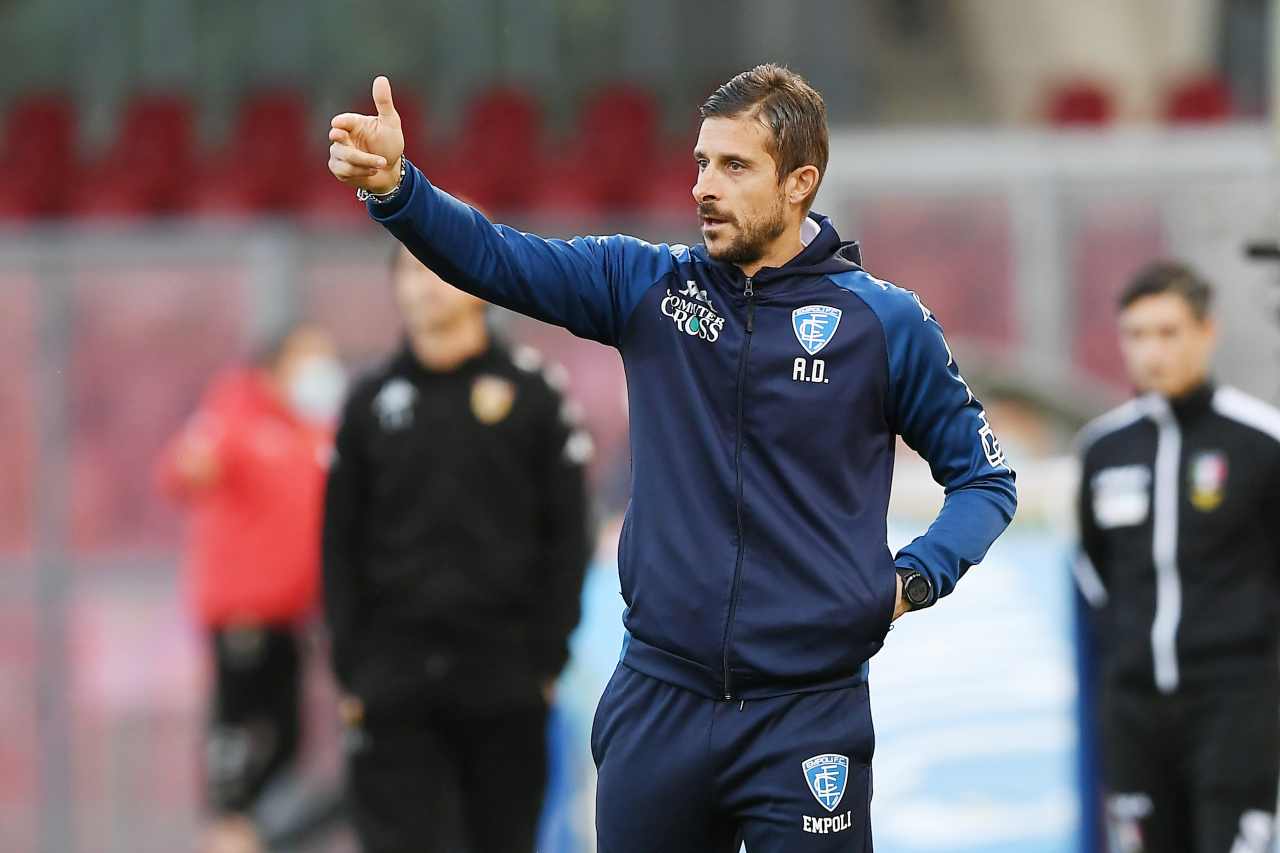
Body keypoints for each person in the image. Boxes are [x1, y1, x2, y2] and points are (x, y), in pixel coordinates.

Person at [326, 65, 1017, 852]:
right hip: (661, 701)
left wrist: (912, 579)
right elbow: (496, 257)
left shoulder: (882, 324)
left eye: (734, 166)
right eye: (700, 163)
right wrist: (399, 189)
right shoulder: (647, 287)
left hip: (807, 714)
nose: (703, 187)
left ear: (800, 183)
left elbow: (984, 477)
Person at [321, 245, 593, 853]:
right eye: (410, 270)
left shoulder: (534, 395)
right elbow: (338, 544)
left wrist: (546, 659)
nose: (426, 285)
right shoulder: (367, 403)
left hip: (505, 678)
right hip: (394, 680)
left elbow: (567, 537)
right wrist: (353, 667)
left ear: (476, 277)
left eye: (440, 265)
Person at [1075, 262, 1280, 853]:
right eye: (1136, 335)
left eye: (1168, 333)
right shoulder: (1103, 449)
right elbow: (1096, 572)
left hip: (1235, 709)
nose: (1151, 352)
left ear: (1207, 332)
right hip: (1135, 715)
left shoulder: (1261, 442)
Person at [157, 324, 346, 853]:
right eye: (311, 358)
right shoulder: (235, 411)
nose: (323, 371)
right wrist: (196, 462)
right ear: (275, 367)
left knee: (287, 743)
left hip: (293, 619)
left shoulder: (313, 430)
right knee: (240, 736)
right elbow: (183, 470)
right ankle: (229, 830)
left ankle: (254, 836)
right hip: (245, 617)